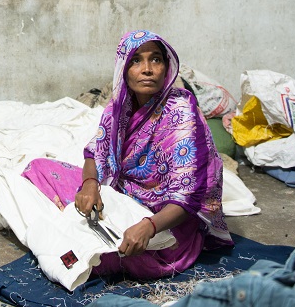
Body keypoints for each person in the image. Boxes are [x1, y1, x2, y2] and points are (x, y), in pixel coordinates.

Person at [22, 30, 232, 279]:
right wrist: (90, 185)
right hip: (124, 197)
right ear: (123, 67)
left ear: (166, 67)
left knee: (100, 256)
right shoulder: (119, 105)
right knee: (38, 168)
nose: (147, 69)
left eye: (155, 59)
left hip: (167, 223)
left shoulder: (181, 112)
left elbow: (188, 198)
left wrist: (148, 227)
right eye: (136, 60)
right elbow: (95, 152)